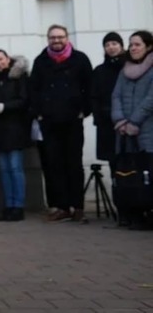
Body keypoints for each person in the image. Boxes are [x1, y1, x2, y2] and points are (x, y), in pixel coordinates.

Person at [29, 25, 93, 223]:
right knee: (54, 165)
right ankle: (61, 207)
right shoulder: (40, 61)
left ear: (67, 38)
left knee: (74, 164)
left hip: (73, 120)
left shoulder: (80, 59)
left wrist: (84, 110)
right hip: (49, 121)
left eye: (60, 37)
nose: (56, 41)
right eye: (52, 37)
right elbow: (34, 90)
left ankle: (78, 206)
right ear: (48, 39)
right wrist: (38, 113)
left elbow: (89, 88)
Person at [111, 30, 153, 230]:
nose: (133, 48)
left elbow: (150, 100)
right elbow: (116, 96)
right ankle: (135, 213)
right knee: (132, 175)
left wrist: (135, 121)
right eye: (131, 44)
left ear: (148, 47)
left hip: (147, 130)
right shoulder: (124, 70)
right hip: (126, 133)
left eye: (137, 44)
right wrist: (120, 120)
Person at [0, 50, 31, 221]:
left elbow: (24, 101)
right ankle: (9, 205)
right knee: (3, 170)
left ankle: (18, 206)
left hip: (15, 129)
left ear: (8, 60)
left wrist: (2, 106)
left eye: (0, 59)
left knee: (15, 169)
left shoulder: (19, 77)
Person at [91, 32, 126, 172]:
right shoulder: (99, 71)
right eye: (107, 45)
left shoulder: (130, 67)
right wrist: (98, 117)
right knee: (114, 162)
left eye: (114, 44)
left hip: (128, 121)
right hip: (107, 122)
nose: (111, 47)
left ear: (121, 46)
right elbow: (93, 96)